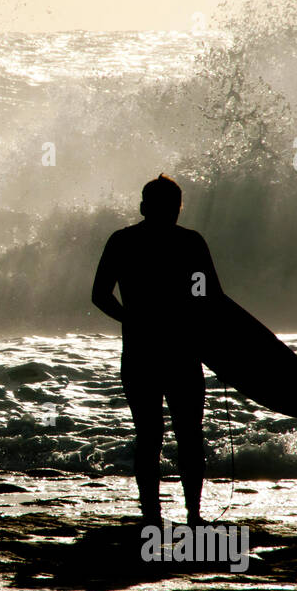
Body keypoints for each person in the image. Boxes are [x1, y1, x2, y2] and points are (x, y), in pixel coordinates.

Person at [91, 174, 222, 526]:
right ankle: (192, 516)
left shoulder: (123, 242)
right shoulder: (190, 243)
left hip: (142, 352)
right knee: (187, 435)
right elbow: (208, 297)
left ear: (143, 207)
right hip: (180, 352)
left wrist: (130, 319)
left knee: (150, 434)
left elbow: (100, 295)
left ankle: (153, 517)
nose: (171, 212)